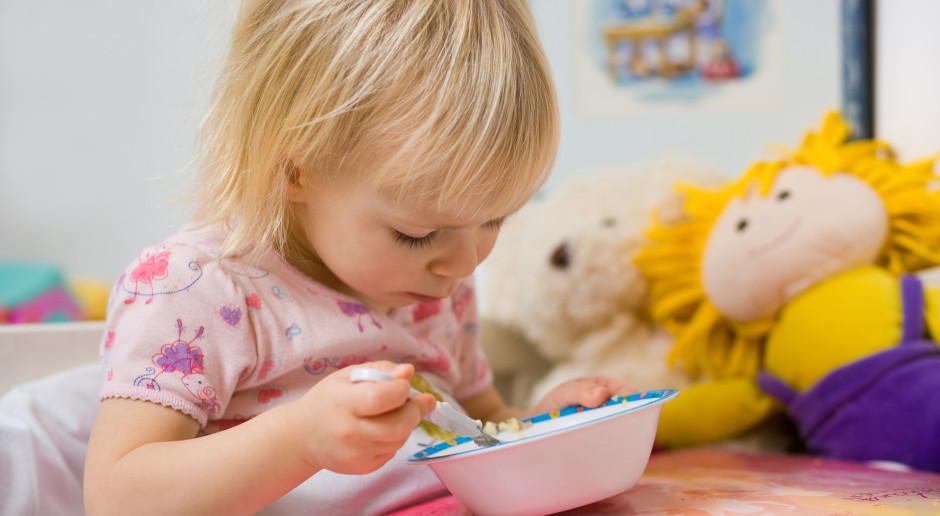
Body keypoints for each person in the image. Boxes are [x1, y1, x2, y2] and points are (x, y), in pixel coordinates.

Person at [83, 1, 634, 514]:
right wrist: (299, 440)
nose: (465, 263)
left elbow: (480, 427)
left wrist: (544, 423)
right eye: (418, 234)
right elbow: (117, 498)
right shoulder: (198, 288)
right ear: (293, 169)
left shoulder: (437, 287)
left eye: (495, 220)